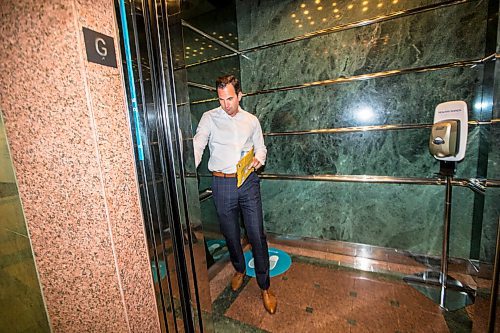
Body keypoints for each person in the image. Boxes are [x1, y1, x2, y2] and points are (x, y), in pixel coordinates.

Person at [193, 74, 277, 314]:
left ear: (239, 95)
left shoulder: (251, 120)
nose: (226, 104)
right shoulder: (209, 118)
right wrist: (188, 166)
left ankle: (265, 285)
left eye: (230, 98)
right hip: (222, 184)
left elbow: (260, 146)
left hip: (248, 181)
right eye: (221, 99)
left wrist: (259, 159)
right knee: (230, 234)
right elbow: (198, 144)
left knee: (256, 234)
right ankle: (239, 269)